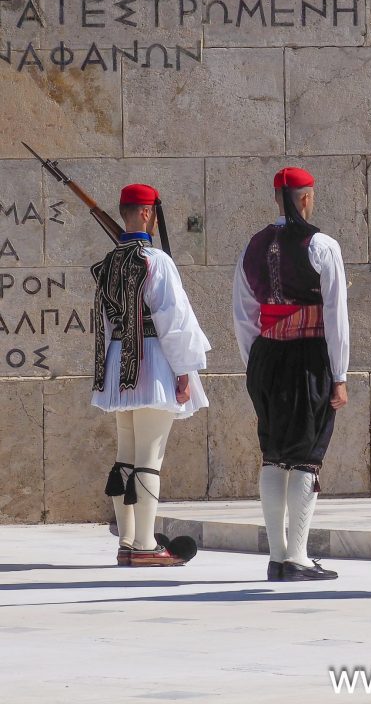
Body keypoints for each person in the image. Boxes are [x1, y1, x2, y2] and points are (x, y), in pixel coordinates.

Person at [233, 166, 349, 582]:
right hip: (308, 359)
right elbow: (336, 315)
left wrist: (255, 366)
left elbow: (244, 314)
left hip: (265, 357)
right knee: (304, 457)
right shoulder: (322, 245)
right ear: (306, 198)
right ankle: (297, 557)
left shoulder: (252, 246)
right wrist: (340, 374)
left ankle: (278, 556)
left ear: (276, 198)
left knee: (273, 454)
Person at [93, 184, 210, 568]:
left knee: (125, 456)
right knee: (148, 458)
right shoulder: (155, 261)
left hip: (119, 364)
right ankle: (145, 545)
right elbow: (174, 320)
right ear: (146, 214)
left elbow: (104, 324)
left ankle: (127, 541)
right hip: (153, 363)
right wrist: (185, 370)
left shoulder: (109, 262)